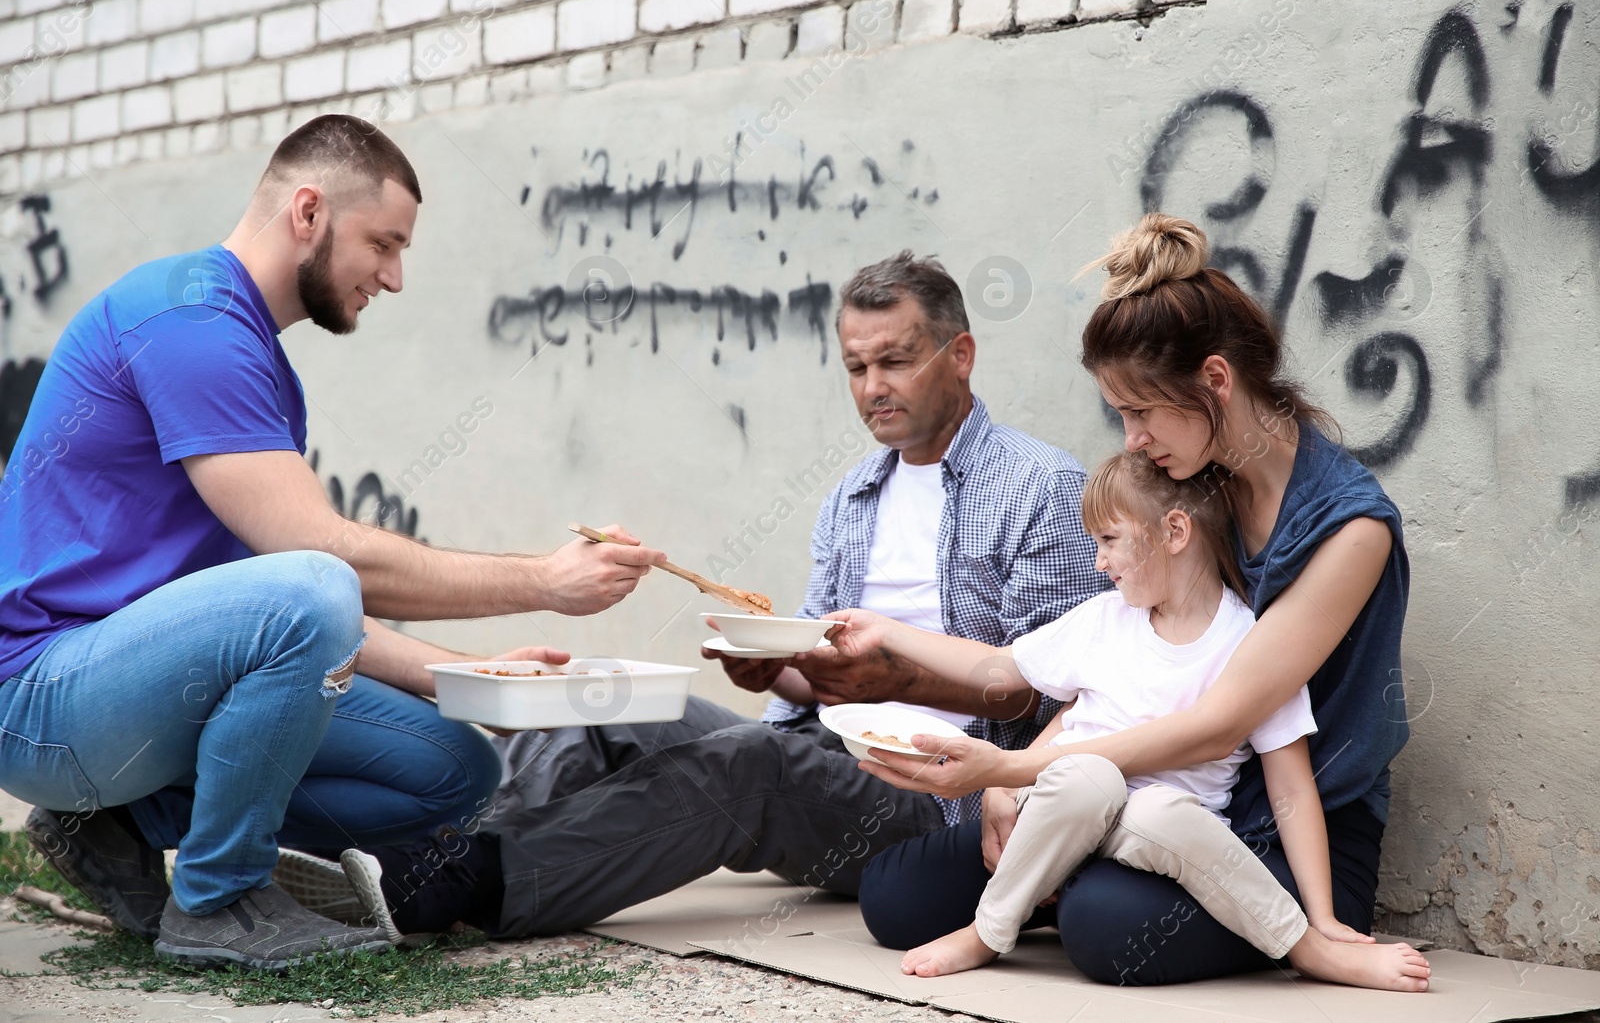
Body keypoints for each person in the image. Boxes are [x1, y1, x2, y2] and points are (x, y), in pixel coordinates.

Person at [279, 251, 1108, 939]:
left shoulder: (1041, 488)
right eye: (855, 366)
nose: (872, 387)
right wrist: (776, 670)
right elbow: (822, 666)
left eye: (895, 360)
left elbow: (1047, 692)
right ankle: (418, 847)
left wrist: (899, 680)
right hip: (827, 754)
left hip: (944, 797)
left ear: (959, 355)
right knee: (609, 695)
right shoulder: (855, 494)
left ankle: (469, 882)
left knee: (746, 768)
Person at [0, 115, 662, 970]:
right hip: (42, 698)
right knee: (312, 584)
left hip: (144, 686)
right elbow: (319, 570)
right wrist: (545, 577)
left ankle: (124, 820)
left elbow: (270, 606)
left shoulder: (258, 362)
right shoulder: (188, 318)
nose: (393, 277)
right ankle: (218, 897)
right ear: (308, 212)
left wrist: (465, 673)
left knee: (453, 766)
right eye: (383, 244)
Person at [855, 212, 1414, 987]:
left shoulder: (1348, 528)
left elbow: (1216, 725)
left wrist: (1013, 772)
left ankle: (1064, 885)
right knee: (897, 897)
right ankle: (1053, 872)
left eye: (1142, 411)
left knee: (1105, 927)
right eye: (1121, 414)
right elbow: (1116, 652)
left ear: (1216, 380)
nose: (1130, 439)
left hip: (1276, 829)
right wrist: (1034, 769)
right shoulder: (1194, 478)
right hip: (1126, 788)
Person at [832, 451, 1429, 992]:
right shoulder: (1105, 619)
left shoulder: (1246, 642)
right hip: (1064, 811)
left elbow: (1291, 782)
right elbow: (998, 665)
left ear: (1174, 532)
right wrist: (887, 633)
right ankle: (1009, 913)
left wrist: (1323, 915)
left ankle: (1308, 948)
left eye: (1110, 540)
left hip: (1154, 838)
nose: (1099, 562)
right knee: (1071, 785)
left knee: (1151, 806)